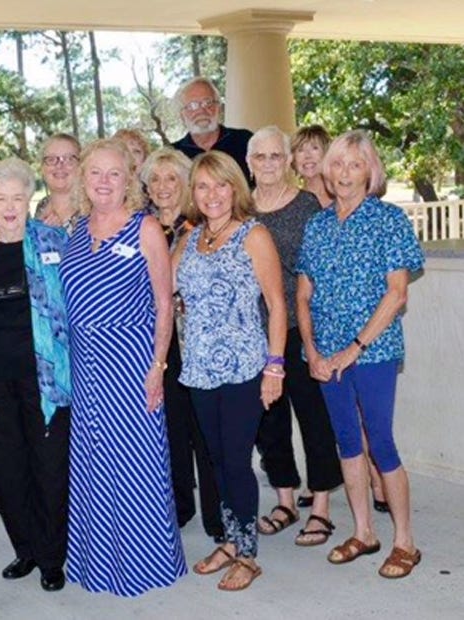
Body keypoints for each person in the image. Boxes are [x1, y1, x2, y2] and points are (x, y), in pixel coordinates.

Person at [59, 138, 186, 596]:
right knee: (94, 463)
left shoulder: (144, 228)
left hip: (132, 364)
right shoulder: (76, 230)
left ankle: (145, 564)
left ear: (128, 180)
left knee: (136, 465)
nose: (105, 182)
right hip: (87, 369)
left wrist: (158, 365)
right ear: (83, 179)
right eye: (96, 173)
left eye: (115, 173)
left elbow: (163, 304)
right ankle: (98, 562)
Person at [296, 130, 424, 578]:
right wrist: (311, 349)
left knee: (381, 443)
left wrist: (354, 348)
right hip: (327, 358)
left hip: (374, 353)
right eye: (337, 164)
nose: (344, 173)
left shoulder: (389, 221)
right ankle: (365, 532)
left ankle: (405, 542)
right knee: (347, 444)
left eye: (355, 164)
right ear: (326, 172)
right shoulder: (318, 225)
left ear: (370, 171)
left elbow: (396, 294)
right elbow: (303, 295)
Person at [174, 150, 286, 591]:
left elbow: (276, 305)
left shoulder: (253, 235)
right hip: (199, 368)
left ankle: (248, 553)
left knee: (237, 462)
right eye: (202, 186)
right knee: (217, 461)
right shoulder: (191, 238)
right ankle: (229, 539)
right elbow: (167, 289)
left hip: (244, 366)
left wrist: (275, 367)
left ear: (235, 187)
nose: (212, 194)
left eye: (220, 185)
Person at [0, 158, 72, 593]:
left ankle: (51, 557)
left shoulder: (54, 241)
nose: (9, 206)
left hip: (43, 377)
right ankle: (24, 548)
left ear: (31, 199)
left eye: (18, 197)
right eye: (0, 198)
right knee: (7, 469)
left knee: (49, 468)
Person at [246, 127, 343, 546]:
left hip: (299, 330)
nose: (267, 164)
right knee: (269, 422)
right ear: (248, 162)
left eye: (275, 156)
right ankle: (284, 499)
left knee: (313, 417)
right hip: (253, 331)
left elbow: (321, 272)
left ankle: (320, 506)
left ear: (288, 160)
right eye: (259, 156)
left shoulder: (307, 207)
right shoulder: (238, 207)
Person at [140, 148, 224, 544]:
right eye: (155, 179)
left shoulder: (201, 227)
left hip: (197, 340)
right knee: (170, 429)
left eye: (171, 178)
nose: (162, 187)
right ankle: (179, 506)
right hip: (159, 342)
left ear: (185, 183)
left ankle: (216, 513)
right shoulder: (139, 227)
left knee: (205, 430)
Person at [172, 76, 254, 183]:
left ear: (218, 107)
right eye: (192, 106)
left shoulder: (245, 141)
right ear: (182, 115)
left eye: (208, 102)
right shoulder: (174, 154)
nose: (201, 110)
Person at [34, 133, 81, 235]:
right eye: (51, 159)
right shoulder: (42, 206)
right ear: (42, 168)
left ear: (80, 166)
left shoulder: (91, 211)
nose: (59, 165)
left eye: (69, 159)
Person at [291, 124, 334, 208]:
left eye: (314, 148)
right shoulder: (292, 203)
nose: (307, 156)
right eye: (300, 150)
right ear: (294, 159)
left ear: (326, 153)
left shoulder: (342, 194)